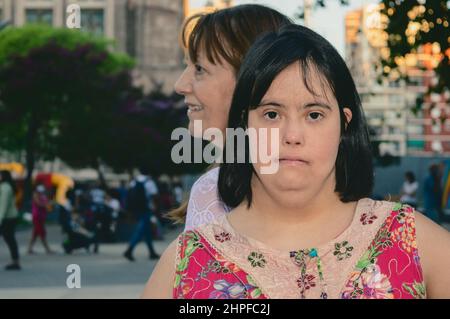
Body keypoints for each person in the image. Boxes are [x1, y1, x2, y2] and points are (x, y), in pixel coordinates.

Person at [143, 24, 450, 299]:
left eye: (314, 115)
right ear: (242, 125)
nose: (292, 135)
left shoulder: (412, 242)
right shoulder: (184, 266)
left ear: (344, 123)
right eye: (271, 114)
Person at [167, 4, 293, 230]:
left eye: (199, 69)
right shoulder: (311, 186)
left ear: (251, 81)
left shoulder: (214, 191)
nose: (180, 85)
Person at [123, 168, 160, 261]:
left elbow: (128, 194)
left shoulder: (134, 181)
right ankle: (129, 250)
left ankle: (151, 252)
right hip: (146, 208)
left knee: (146, 231)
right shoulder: (149, 182)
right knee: (141, 230)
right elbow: (155, 195)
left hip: (136, 209)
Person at [0, 170, 21, 270]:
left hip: (6, 218)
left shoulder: (5, 187)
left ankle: (15, 262)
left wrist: (0, 219)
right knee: (10, 239)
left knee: (10, 239)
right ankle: (15, 261)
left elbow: (3, 205)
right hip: (10, 217)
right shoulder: (7, 186)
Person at [28, 184, 54, 254]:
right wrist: (46, 205)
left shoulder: (43, 196)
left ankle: (29, 249)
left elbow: (47, 204)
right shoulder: (35, 195)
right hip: (37, 217)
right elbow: (39, 204)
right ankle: (48, 249)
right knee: (42, 233)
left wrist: (49, 204)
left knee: (35, 234)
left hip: (41, 217)